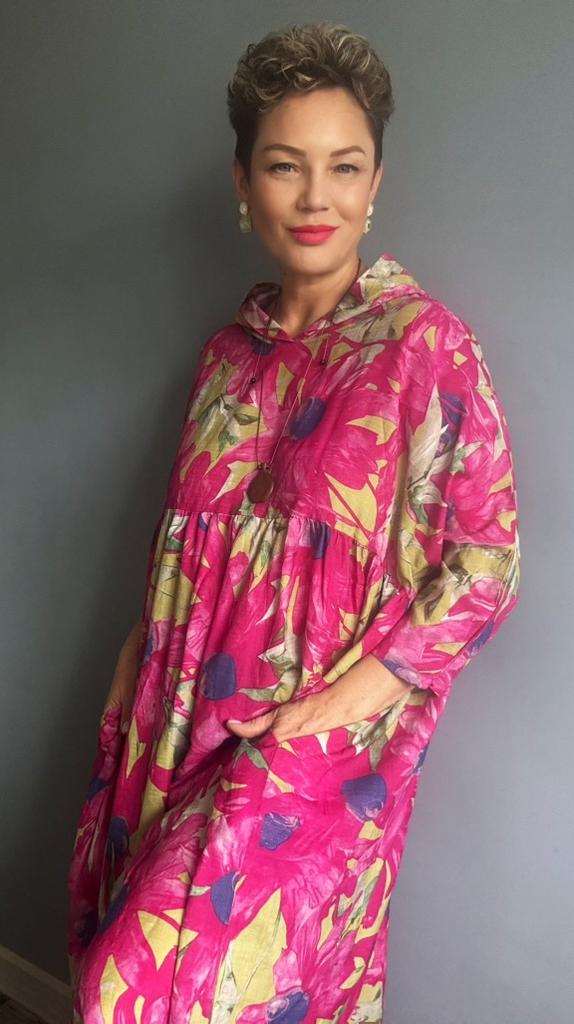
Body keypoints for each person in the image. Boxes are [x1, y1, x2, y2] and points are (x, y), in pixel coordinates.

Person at [66, 21, 521, 1022]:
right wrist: (132, 668)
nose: (317, 197)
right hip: (172, 720)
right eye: (285, 165)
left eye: (343, 166)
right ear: (243, 183)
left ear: (375, 183)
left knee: (127, 993)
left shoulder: (422, 348)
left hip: (310, 757)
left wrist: (330, 708)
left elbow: (485, 563)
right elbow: (188, 550)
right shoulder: (224, 358)